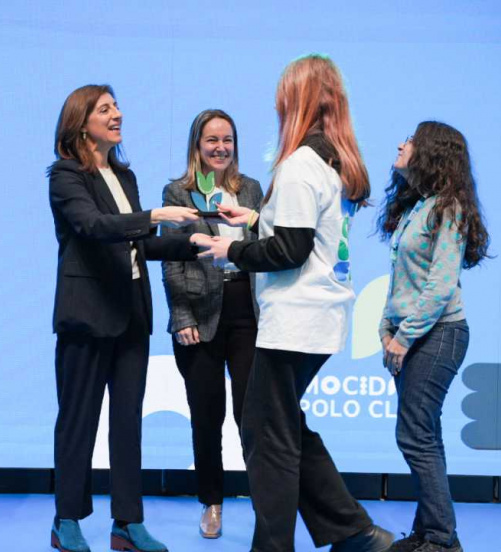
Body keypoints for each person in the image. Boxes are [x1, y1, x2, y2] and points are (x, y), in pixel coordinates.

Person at [196, 55, 393, 552]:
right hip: (319, 316)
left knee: (269, 438)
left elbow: (291, 249)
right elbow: (306, 234)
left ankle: (280, 545)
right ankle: (353, 532)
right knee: (284, 429)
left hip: (294, 319)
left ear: (297, 100)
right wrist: (255, 219)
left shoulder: (301, 164)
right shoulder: (330, 161)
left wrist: (231, 248)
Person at [48, 84, 204, 552]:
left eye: (116, 106)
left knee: (128, 422)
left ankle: (127, 523)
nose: (117, 114)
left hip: (131, 316)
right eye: (105, 109)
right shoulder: (65, 176)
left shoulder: (125, 175)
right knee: (78, 421)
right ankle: (66, 520)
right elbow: (94, 228)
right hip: (86, 316)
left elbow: (138, 242)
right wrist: (154, 214)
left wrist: (196, 243)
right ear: (80, 122)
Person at [376, 122, 490, 552]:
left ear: (431, 152)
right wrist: (387, 329)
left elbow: (440, 286)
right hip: (414, 333)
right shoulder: (416, 206)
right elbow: (402, 284)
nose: (402, 142)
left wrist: (403, 338)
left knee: (413, 435)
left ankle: (442, 541)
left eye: (411, 139)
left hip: (438, 335)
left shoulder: (449, 206)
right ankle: (429, 532)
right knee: (424, 433)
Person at [159, 109, 263, 539]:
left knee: (252, 415)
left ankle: (266, 502)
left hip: (247, 313)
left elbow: (266, 245)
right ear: (196, 145)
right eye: (212, 140)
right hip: (198, 315)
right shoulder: (177, 192)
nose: (221, 147)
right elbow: (171, 259)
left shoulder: (252, 190)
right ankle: (212, 503)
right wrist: (181, 315)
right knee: (207, 415)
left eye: (228, 139)